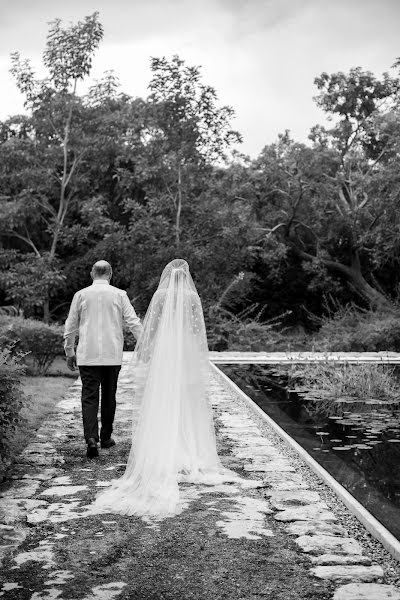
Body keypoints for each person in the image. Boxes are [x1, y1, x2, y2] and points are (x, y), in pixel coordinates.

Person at [94, 259, 247, 518]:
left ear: (167, 276)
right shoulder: (191, 297)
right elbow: (198, 330)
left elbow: (151, 327)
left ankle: (163, 447)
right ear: (186, 277)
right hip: (185, 350)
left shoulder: (161, 294)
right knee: (187, 398)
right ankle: (189, 449)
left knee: (161, 397)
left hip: (165, 350)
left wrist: (147, 349)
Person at [64, 260, 143, 458]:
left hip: (88, 355)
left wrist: (69, 350)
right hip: (112, 355)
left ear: (92, 274)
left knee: (89, 397)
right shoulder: (120, 295)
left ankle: (91, 439)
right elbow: (133, 322)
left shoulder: (80, 295)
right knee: (109, 396)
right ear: (110, 274)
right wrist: (145, 344)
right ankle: (105, 437)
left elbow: (71, 325)